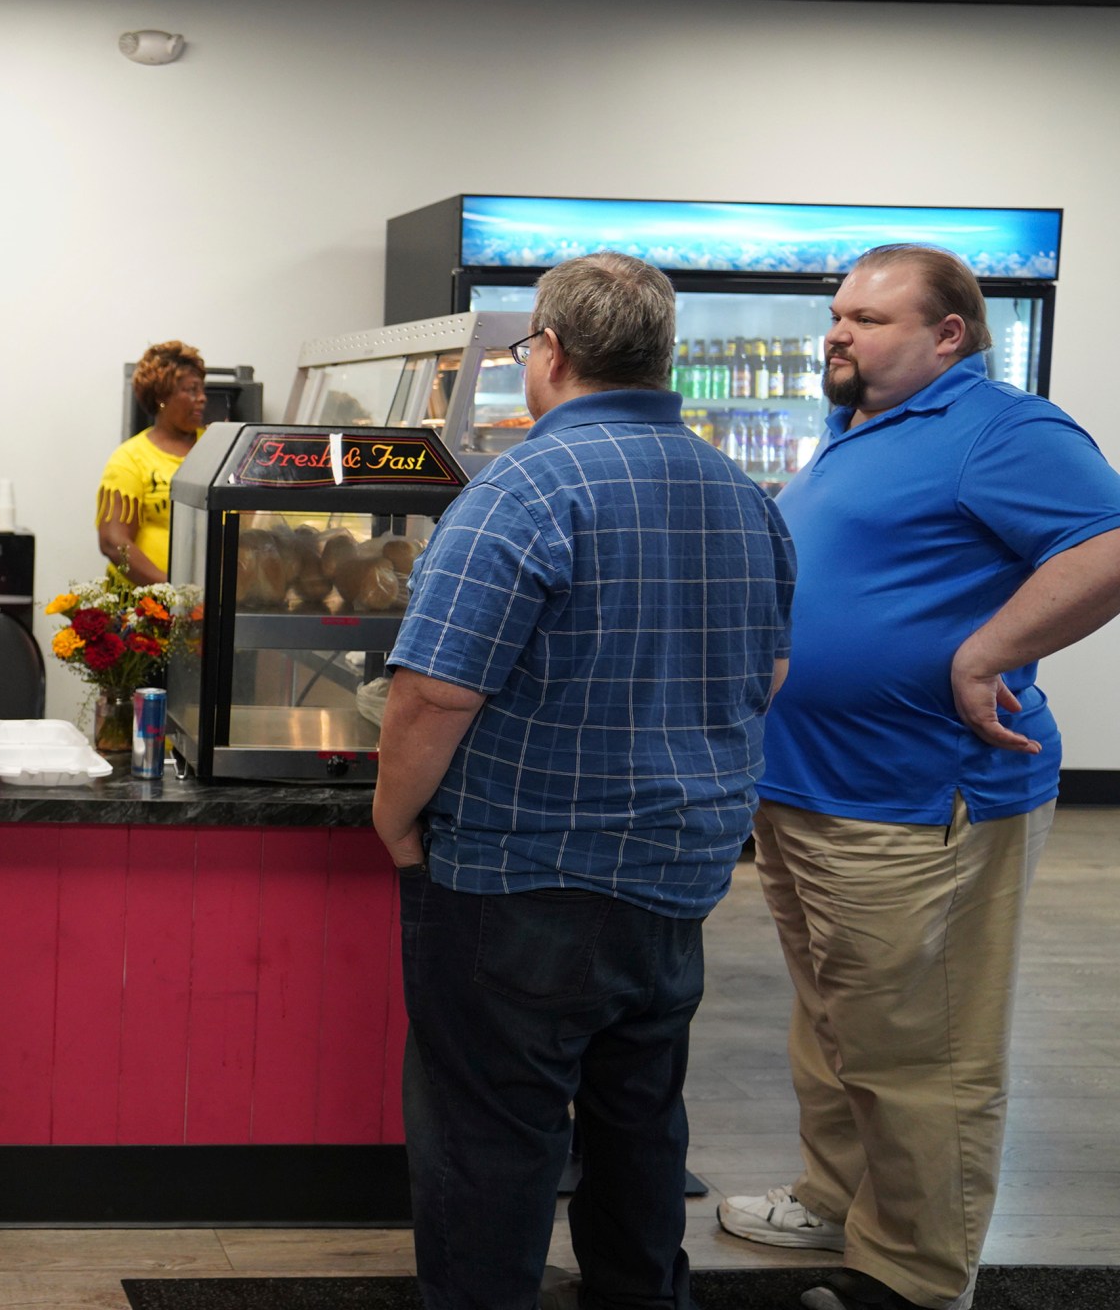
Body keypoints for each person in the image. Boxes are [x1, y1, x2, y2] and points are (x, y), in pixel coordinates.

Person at [374, 251, 794, 1310]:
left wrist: (394, 823)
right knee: (639, 1126)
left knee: (491, 1144)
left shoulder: (519, 488)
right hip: (679, 874)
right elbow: (769, 673)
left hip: (521, 873)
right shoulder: (741, 493)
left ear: (549, 355)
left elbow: (434, 695)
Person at [717, 245, 1120, 1310]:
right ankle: (835, 1197)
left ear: (949, 337)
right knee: (836, 1020)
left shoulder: (1002, 428)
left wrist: (983, 653)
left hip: (919, 799)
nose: (839, 333)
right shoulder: (854, 431)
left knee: (923, 1050)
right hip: (811, 789)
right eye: (838, 314)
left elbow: (1107, 546)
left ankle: (910, 1273)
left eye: (871, 319)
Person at [97, 340, 207, 584]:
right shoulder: (129, 459)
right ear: (162, 397)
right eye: (191, 390)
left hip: (206, 604)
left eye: (202, 390)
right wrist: (170, 590)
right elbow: (113, 543)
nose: (202, 398)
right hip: (144, 608)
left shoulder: (216, 448)